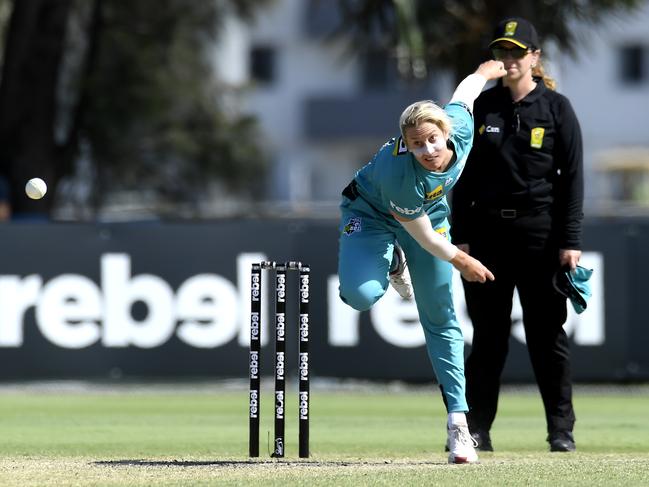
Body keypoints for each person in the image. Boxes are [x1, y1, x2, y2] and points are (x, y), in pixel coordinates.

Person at [338, 59, 507, 464]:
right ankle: (393, 265)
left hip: (426, 217)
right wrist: (462, 261)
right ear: (406, 144)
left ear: (446, 133)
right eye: (417, 144)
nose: (428, 151)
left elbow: (465, 94)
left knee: (441, 316)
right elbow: (425, 239)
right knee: (360, 296)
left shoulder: (460, 127)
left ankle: (459, 427)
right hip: (372, 214)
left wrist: (485, 72)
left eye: (432, 140)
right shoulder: (401, 173)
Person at [451, 17, 584, 453]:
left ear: (534, 57)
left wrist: (570, 240)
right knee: (488, 338)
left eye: (517, 52)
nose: (509, 60)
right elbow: (462, 176)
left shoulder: (557, 108)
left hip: (540, 235)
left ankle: (560, 430)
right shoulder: (484, 108)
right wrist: (462, 236)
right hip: (487, 235)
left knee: (548, 336)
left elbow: (572, 179)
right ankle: (478, 429)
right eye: (502, 52)